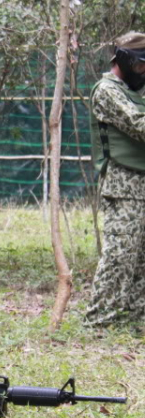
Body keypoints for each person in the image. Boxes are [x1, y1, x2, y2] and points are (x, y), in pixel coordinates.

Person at [85, 32, 145, 328]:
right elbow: (138, 125)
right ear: (126, 60)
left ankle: (136, 320)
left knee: (141, 261)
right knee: (119, 257)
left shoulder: (132, 92)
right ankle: (99, 322)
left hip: (141, 184)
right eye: (141, 65)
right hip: (123, 186)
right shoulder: (107, 91)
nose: (143, 71)